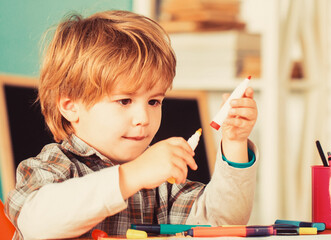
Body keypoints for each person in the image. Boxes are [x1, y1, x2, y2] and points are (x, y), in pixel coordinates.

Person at [5, 10, 258, 239]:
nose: (144, 118)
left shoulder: (162, 182)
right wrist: (133, 175)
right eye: (124, 100)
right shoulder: (52, 165)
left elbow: (221, 224)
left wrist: (234, 144)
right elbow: (36, 223)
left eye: (154, 101)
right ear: (71, 106)